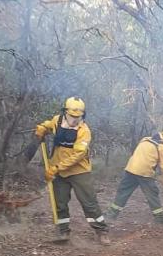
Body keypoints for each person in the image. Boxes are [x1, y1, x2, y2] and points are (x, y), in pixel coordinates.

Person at [35, 97, 110, 244]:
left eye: (78, 117)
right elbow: (49, 125)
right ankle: (63, 232)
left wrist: (56, 167)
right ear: (65, 113)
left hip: (78, 171)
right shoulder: (57, 120)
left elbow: (77, 155)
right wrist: (43, 127)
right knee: (60, 202)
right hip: (58, 171)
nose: (75, 119)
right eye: (72, 116)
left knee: (89, 202)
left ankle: (102, 231)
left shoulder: (84, 131)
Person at [105, 129, 163, 224]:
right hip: (144, 173)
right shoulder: (162, 148)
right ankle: (160, 218)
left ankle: (111, 214)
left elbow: (144, 156)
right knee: (152, 195)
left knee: (123, 192)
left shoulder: (145, 139)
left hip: (131, 169)